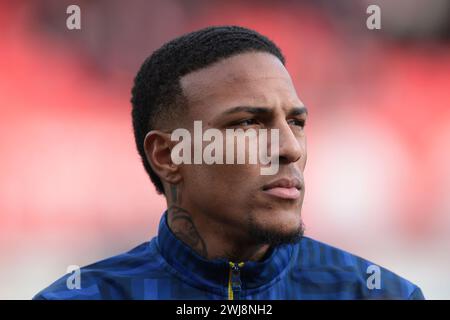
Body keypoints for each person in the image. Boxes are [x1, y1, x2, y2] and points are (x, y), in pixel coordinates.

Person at [34, 25, 424, 300]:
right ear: (170, 156)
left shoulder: (382, 296)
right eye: (248, 123)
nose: (289, 148)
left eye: (296, 122)